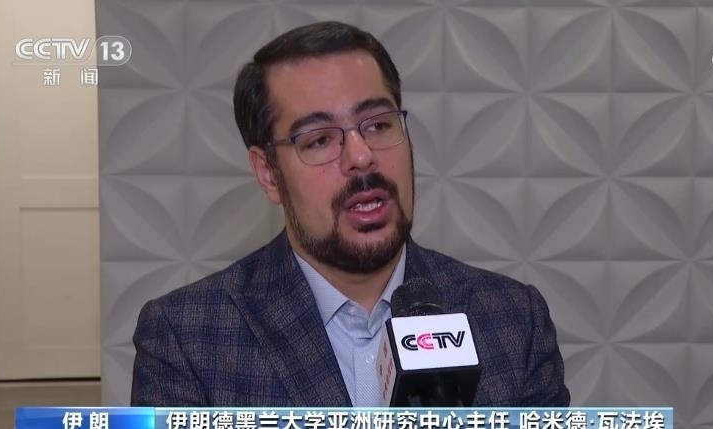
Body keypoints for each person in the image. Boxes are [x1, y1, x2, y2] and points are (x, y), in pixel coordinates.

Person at [131, 21, 570, 407]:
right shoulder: (187, 338)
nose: (361, 157)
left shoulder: (514, 320)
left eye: (378, 125)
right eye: (320, 140)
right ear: (268, 173)